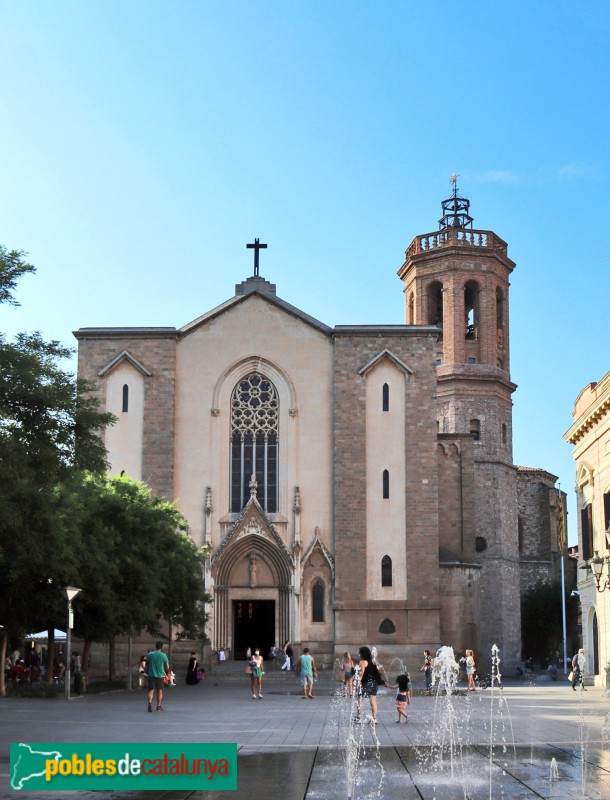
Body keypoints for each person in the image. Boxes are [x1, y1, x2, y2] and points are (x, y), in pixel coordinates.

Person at [354, 645, 383, 725]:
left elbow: (361, 673)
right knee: (373, 701)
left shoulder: (362, 662)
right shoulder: (372, 662)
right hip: (374, 683)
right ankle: (374, 719)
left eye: (359, 652)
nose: (358, 654)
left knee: (360, 700)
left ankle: (359, 718)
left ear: (362, 653)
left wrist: (358, 683)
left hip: (366, 683)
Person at [146, 641, 169, 712]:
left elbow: (147, 664)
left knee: (151, 690)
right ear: (161, 647)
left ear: (155, 646)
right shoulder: (163, 655)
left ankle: (149, 703)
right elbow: (167, 666)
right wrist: (166, 671)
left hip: (151, 675)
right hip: (160, 675)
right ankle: (158, 706)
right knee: (159, 691)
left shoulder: (150, 654)